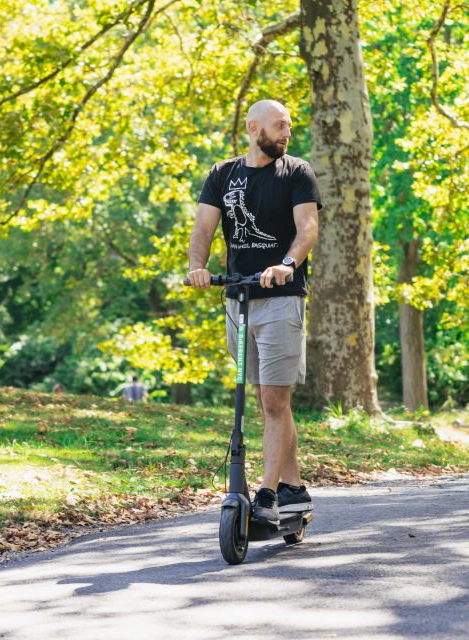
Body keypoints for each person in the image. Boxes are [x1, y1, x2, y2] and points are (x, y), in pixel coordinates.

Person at [186, 99, 320, 524]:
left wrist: (286, 264)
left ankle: (266, 494)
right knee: (266, 402)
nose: (286, 133)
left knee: (275, 398)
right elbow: (204, 228)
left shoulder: (297, 172)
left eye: (290, 127)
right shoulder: (222, 175)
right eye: (280, 126)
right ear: (253, 127)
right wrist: (197, 268)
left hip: (282, 299)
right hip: (239, 300)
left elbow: (308, 228)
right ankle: (294, 487)